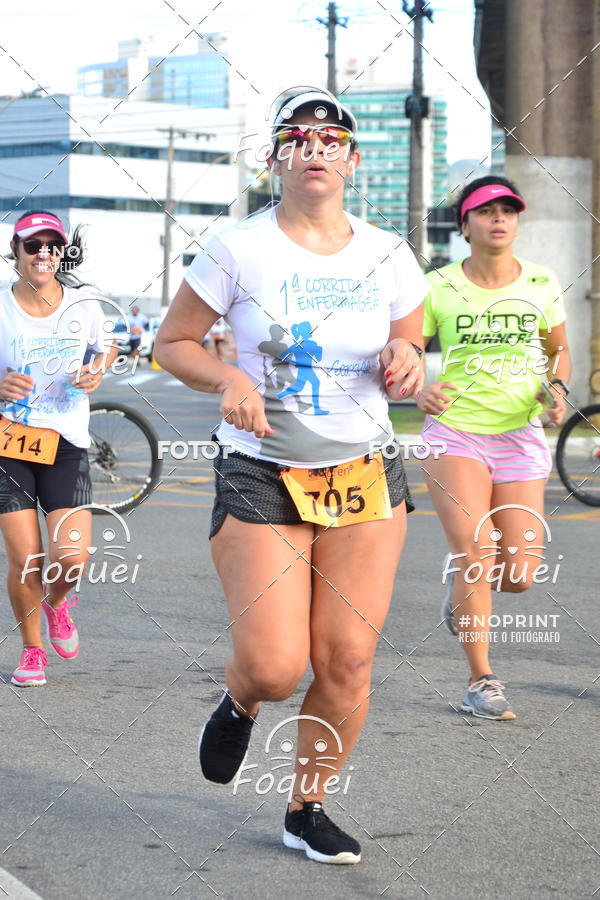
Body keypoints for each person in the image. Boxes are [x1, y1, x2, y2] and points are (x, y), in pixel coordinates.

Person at [154, 88, 428, 864]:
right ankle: (241, 699)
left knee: (346, 657)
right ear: (275, 158)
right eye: (297, 137)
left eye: (331, 137)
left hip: (366, 473)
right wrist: (228, 382)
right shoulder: (239, 248)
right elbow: (174, 343)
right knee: (278, 667)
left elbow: (407, 345)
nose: (316, 147)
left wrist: (406, 359)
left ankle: (306, 808)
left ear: (352, 158)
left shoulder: (387, 252)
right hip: (263, 472)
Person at [417, 176, 571, 721]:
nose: (499, 219)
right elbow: (408, 351)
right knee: (475, 556)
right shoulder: (437, 286)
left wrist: (555, 390)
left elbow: (560, 353)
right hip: (454, 434)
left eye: (508, 210)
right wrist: (417, 386)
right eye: (486, 212)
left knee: (520, 575)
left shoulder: (540, 280)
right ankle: (481, 681)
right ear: (465, 226)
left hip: (521, 437)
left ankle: (461, 597)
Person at [0, 210, 117, 687]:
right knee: (25, 556)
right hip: (10, 442)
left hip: (66, 441)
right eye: (34, 245)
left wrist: (98, 369)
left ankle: (55, 602)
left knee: (71, 558)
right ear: (17, 253)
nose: (43, 253)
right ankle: (32, 651)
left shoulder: (84, 304)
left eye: (52, 245)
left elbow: (107, 347)